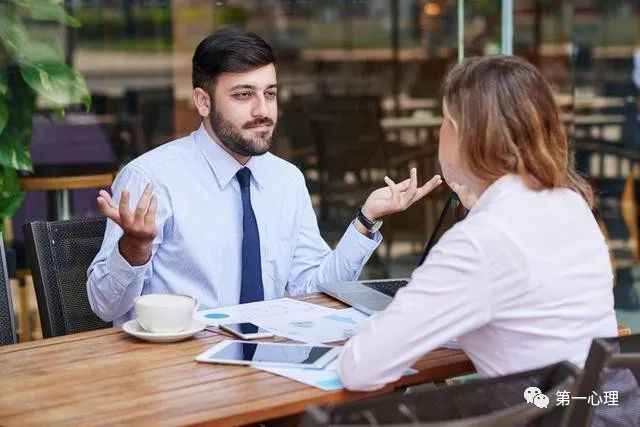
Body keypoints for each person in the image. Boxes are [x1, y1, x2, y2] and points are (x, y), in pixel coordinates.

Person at [86, 28, 441, 324]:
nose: (263, 110)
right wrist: (135, 247)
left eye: (269, 94)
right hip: (179, 373)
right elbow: (106, 308)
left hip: (272, 361)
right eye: (244, 95)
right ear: (203, 102)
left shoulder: (285, 179)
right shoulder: (151, 180)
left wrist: (366, 221)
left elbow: (313, 290)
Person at [337, 55, 625, 396]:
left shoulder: (482, 240)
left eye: (444, 120)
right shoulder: (569, 203)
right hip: (609, 409)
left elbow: (360, 368)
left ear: (459, 133)